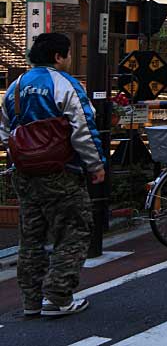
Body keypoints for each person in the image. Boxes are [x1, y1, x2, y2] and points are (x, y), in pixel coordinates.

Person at [0, 33, 106, 317]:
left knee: (31, 236)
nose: (70, 59)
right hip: (61, 171)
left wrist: (20, 156)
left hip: (24, 173)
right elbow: (83, 128)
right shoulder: (65, 84)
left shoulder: (15, 87)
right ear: (58, 56)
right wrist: (96, 165)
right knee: (74, 229)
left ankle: (31, 300)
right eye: (69, 54)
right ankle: (58, 297)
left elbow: (4, 131)